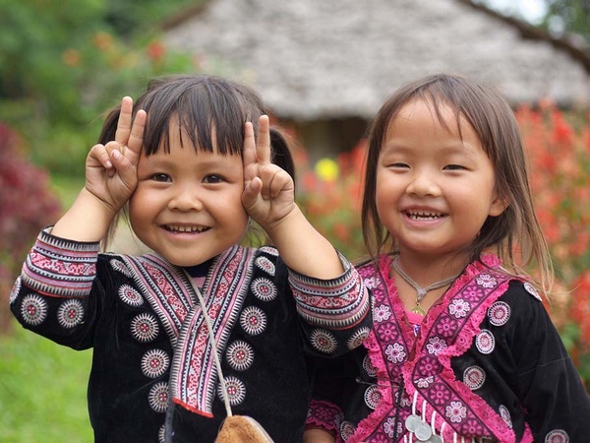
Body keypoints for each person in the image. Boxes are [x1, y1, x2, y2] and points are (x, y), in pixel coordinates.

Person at [9, 74, 371, 443]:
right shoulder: (113, 283)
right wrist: (98, 198)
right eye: (161, 176)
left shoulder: (279, 281)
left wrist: (283, 217)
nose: (184, 200)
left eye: (213, 178)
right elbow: (41, 306)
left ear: (252, 182)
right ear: (129, 183)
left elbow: (344, 320)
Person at [304, 73, 590, 442]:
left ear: (499, 195)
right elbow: (320, 408)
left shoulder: (516, 308)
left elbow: (567, 423)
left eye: (452, 167)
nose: (421, 185)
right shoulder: (349, 297)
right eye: (399, 166)